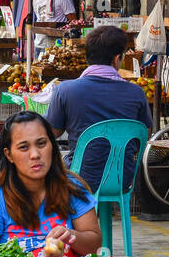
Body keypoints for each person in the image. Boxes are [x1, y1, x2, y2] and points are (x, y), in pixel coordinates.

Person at [0, 110, 102, 257]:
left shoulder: (72, 188)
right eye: (24, 147)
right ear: (9, 154)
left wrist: (71, 236)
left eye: (41, 143)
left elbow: (94, 247)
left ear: (52, 146)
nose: (35, 154)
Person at [46, 25, 152, 193]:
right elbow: (144, 134)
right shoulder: (136, 93)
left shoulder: (65, 90)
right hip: (121, 179)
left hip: (80, 178)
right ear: (117, 59)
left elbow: (51, 132)